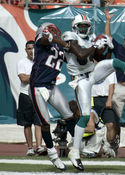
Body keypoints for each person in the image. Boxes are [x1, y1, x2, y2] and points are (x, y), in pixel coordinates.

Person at [61, 13, 125, 171]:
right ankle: (75, 151)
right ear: (75, 27)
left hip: (92, 73)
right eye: (81, 26)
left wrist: (104, 47)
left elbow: (97, 56)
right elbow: (81, 56)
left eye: (86, 26)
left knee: (114, 62)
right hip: (80, 80)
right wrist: (95, 44)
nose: (84, 29)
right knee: (85, 116)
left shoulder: (91, 36)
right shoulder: (69, 36)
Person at [29, 23, 77, 171]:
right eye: (50, 30)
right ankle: (52, 155)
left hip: (51, 85)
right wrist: (57, 40)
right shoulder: (41, 39)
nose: (53, 32)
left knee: (69, 115)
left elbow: (74, 59)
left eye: (54, 29)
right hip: (38, 86)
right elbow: (44, 39)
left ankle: (77, 146)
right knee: (45, 123)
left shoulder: (60, 47)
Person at [17, 40, 45, 156]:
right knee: (27, 123)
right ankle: (30, 148)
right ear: (25, 50)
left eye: (33, 48)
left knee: (39, 122)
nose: (31, 51)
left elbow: (44, 77)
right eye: (29, 48)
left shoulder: (41, 62)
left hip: (38, 94)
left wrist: (30, 76)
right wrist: (36, 75)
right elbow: (23, 79)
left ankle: (39, 146)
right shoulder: (21, 62)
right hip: (25, 95)